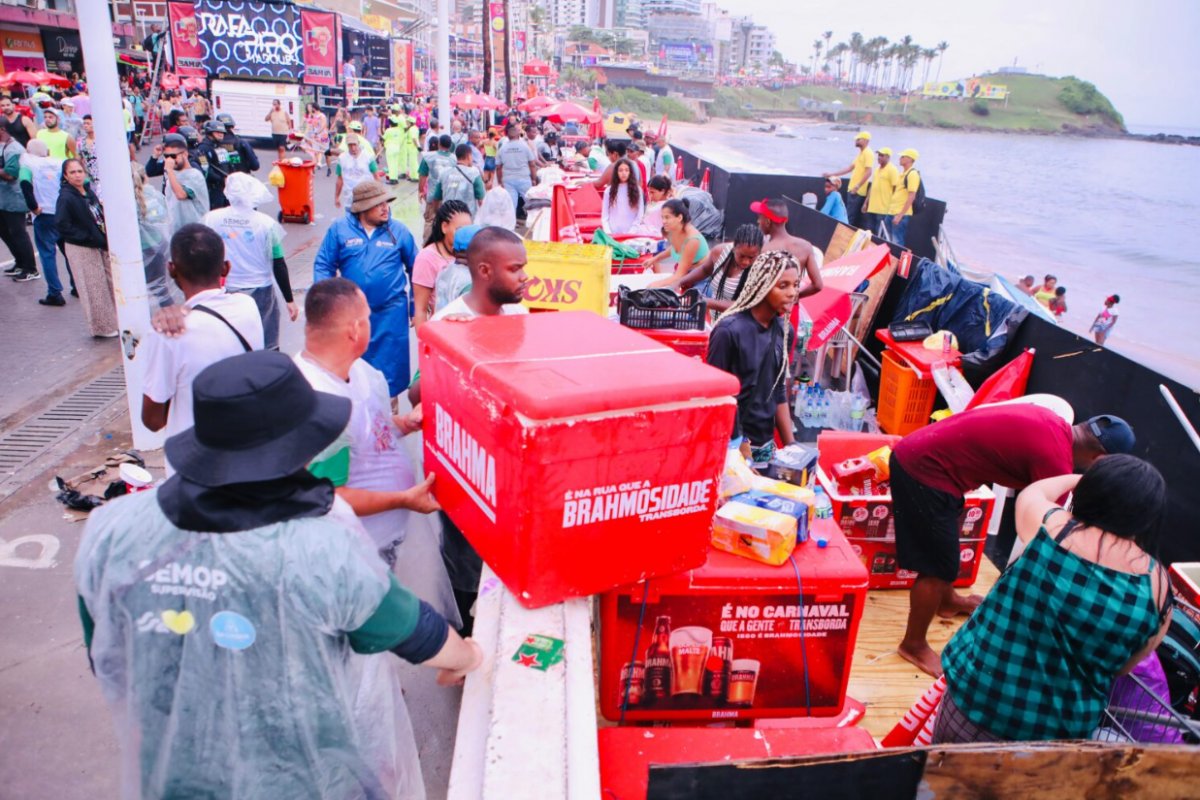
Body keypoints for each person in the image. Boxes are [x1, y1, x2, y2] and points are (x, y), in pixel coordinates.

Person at [76, 349, 483, 798]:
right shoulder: (318, 549)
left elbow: (109, 656)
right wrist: (466, 659)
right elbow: (415, 631)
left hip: (174, 775)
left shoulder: (111, 530)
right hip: (302, 778)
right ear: (294, 451)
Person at [934, 455, 1171, 743]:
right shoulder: (1157, 587)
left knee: (944, 784)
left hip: (978, 702)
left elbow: (1035, 492)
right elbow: (1124, 667)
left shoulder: (1051, 528)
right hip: (1054, 736)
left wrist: (1083, 479)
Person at [888, 403, 1136, 677]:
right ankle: (913, 644)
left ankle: (947, 602)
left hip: (927, 456)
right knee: (937, 567)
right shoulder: (1056, 462)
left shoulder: (1053, 422)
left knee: (945, 548)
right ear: (1099, 459)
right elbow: (1047, 532)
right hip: (923, 469)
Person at [296, 278, 458, 631]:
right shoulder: (322, 402)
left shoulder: (357, 371)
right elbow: (329, 497)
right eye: (368, 317)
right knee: (365, 631)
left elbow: (370, 431)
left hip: (388, 533)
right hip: (361, 544)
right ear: (355, 330)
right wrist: (404, 499)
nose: (372, 322)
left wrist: (403, 423)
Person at [426, 227, 529, 633]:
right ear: (484, 270)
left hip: (508, 471)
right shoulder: (449, 322)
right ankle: (464, 642)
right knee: (466, 566)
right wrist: (451, 344)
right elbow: (423, 395)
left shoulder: (519, 315)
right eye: (516, 269)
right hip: (467, 475)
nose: (525, 277)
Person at [139, 224, 264, 474]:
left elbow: (153, 421)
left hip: (194, 470)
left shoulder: (167, 333)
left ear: (171, 269)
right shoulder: (247, 307)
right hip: (245, 457)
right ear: (226, 268)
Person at [314, 181, 417, 397]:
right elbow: (324, 264)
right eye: (378, 204)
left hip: (391, 314)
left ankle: (388, 416)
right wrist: (324, 304)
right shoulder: (339, 230)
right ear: (362, 208)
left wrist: (415, 306)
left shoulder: (398, 231)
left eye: (386, 203)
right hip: (353, 315)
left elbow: (415, 267)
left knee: (389, 373)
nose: (385, 208)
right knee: (354, 368)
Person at [706, 250, 800, 467]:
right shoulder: (728, 331)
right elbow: (718, 399)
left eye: (795, 285)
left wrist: (793, 448)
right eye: (783, 286)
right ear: (762, 286)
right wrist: (740, 446)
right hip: (732, 449)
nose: (792, 293)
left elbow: (777, 391)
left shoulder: (785, 331)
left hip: (765, 449)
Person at [202, 173, 296, 351]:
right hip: (261, 290)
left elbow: (204, 254)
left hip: (226, 288)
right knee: (267, 342)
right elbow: (278, 263)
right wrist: (289, 299)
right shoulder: (267, 224)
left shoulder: (212, 219)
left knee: (233, 341)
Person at [56, 158, 116, 337]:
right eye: (72, 172)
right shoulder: (66, 197)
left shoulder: (88, 193)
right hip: (82, 247)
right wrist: (86, 237)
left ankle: (115, 321)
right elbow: (61, 224)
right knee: (93, 286)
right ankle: (103, 327)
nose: (77, 175)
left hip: (98, 244)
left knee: (109, 282)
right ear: (66, 176)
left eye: (79, 171)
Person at [669, 224, 765, 319]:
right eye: (741, 256)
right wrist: (680, 281)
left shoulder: (760, 269)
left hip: (738, 328)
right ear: (734, 247)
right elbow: (705, 270)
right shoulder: (719, 252)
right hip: (715, 320)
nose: (745, 261)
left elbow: (743, 305)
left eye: (751, 257)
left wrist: (707, 302)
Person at [20, 139, 71, 303]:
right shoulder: (59, 162)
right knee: (70, 252)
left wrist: (33, 206)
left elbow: (24, 183)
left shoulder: (28, 164)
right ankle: (77, 286)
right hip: (63, 211)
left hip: (44, 213)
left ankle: (55, 292)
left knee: (47, 254)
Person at [412, 200, 472, 327]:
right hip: (442, 330)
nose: (464, 235)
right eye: (459, 230)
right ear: (444, 227)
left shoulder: (472, 254)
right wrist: (425, 343)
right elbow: (421, 311)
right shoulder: (427, 258)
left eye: (468, 230)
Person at [751, 198, 825, 300]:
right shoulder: (805, 246)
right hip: (792, 309)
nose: (758, 221)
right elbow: (818, 285)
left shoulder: (764, 251)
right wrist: (795, 297)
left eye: (760, 217)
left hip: (769, 312)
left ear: (768, 221)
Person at [648, 199, 710, 285]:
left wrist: (655, 284)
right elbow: (674, 249)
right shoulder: (674, 230)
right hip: (684, 272)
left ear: (679, 218)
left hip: (700, 278)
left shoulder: (692, 240)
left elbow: (680, 275)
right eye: (662, 217)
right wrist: (655, 259)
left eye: (667, 217)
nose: (663, 221)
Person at [160, 133, 209, 234]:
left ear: (185, 154)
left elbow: (181, 194)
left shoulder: (194, 175)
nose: (170, 160)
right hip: (176, 231)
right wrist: (154, 156)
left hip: (196, 231)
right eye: (166, 156)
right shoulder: (172, 174)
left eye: (173, 156)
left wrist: (169, 171)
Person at [823, 131, 873, 227]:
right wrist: (832, 174)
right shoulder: (861, 154)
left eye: (859, 139)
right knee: (849, 215)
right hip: (852, 189)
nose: (856, 141)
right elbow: (849, 168)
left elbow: (869, 171)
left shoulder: (868, 153)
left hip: (857, 191)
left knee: (850, 217)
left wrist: (857, 186)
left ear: (866, 141)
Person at [430, 144, 485, 219]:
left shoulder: (444, 173)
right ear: (468, 156)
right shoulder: (474, 173)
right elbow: (481, 199)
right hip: (467, 218)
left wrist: (438, 214)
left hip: (448, 217)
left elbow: (436, 198)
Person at [495, 123, 536, 213]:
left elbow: (498, 167)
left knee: (511, 205)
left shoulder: (503, 148)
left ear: (507, 135)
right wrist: (533, 179)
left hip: (508, 180)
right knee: (531, 203)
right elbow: (532, 164)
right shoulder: (525, 146)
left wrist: (500, 181)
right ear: (518, 134)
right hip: (524, 178)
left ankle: (510, 225)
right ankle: (534, 223)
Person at [601, 157, 645, 235]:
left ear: (630, 172)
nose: (623, 173)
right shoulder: (609, 190)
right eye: (620, 170)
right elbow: (605, 215)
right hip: (612, 233)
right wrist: (608, 232)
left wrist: (631, 232)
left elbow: (639, 215)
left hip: (632, 233)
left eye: (626, 170)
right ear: (616, 172)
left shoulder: (637, 190)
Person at [334, 134, 380, 210]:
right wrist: (336, 197)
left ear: (358, 143)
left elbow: (376, 177)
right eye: (350, 145)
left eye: (354, 145)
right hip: (350, 199)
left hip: (366, 198)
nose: (353, 148)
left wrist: (378, 195)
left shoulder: (368, 157)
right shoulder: (342, 158)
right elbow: (339, 179)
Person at [196, 120, 234, 209]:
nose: (221, 134)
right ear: (209, 132)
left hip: (225, 187)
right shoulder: (203, 148)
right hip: (213, 189)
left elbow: (228, 164)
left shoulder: (220, 146)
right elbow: (205, 168)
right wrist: (221, 179)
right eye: (217, 132)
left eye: (222, 132)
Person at [889, 148, 921, 246]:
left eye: (903, 157)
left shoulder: (912, 174)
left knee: (897, 241)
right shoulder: (902, 174)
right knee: (887, 239)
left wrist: (900, 215)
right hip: (892, 211)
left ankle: (897, 260)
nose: (900, 158)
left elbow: (911, 196)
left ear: (910, 159)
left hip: (900, 214)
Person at [864, 147, 898, 235]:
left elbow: (896, 188)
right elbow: (872, 187)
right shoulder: (877, 170)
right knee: (869, 232)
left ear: (888, 157)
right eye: (879, 155)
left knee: (880, 233)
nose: (879, 157)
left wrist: (893, 206)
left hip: (883, 209)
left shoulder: (892, 170)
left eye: (882, 156)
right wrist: (866, 202)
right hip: (872, 207)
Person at [303, 103, 331, 170]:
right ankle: (317, 164)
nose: (310, 109)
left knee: (326, 153)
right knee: (316, 151)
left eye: (311, 108)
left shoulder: (322, 116)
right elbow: (311, 126)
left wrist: (317, 132)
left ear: (314, 108)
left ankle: (328, 167)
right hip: (315, 135)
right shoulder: (314, 116)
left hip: (323, 135)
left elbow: (324, 125)